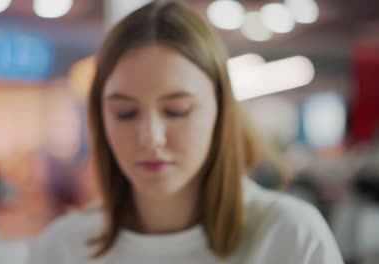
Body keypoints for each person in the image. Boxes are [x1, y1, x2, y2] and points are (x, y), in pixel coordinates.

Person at [28, 1, 344, 263]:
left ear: (220, 111)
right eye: (125, 113)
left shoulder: (288, 238)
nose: (151, 137)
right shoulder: (62, 248)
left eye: (177, 110)